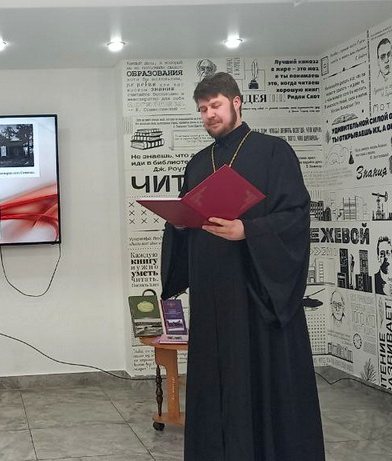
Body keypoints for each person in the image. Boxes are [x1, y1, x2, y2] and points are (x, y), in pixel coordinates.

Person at [160, 72, 324, 460]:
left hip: (256, 296)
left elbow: (296, 216)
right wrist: (178, 224)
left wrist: (247, 230)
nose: (209, 115)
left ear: (236, 102)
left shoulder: (273, 152)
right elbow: (189, 220)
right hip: (211, 296)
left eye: (215, 105)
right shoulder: (198, 163)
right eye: (202, 109)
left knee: (257, 380)